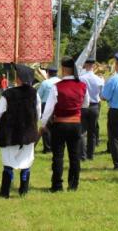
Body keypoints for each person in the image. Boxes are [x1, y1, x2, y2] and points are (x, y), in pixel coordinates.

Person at [41, 57, 89, 192]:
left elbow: (49, 108)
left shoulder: (57, 87)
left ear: (63, 69)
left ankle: (57, 185)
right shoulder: (82, 85)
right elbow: (86, 103)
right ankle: (73, 184)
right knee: (75, 156)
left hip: (60, 124)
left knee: (58, 156)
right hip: (75, 124)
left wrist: (44, 124)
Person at [0, 64, 41, 198]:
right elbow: (38, 113)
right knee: (26, 161)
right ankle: (23, 191)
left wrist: (4, 123)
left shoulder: (7, 94)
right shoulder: (34, 94)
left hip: (10, 134)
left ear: (19, 79)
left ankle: (5, 191)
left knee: (8, 162)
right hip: (28, 133)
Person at [79, 57, 104, 160]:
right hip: (94, 106)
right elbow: (102, 96)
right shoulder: (99, 79)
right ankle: (91, 155)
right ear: (94, 66)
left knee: (82, 132)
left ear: (85, 65)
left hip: (83, 106)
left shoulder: (80, 78)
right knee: (92, 132)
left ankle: (82, 155)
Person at [36, 65, 59, 154]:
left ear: (48, 73)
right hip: (58, 106)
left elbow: (38, 96)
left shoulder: (45, 83)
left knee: (46, 127)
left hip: (46, 105)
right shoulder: (60, 81)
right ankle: (55, 146)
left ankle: (48, 147)